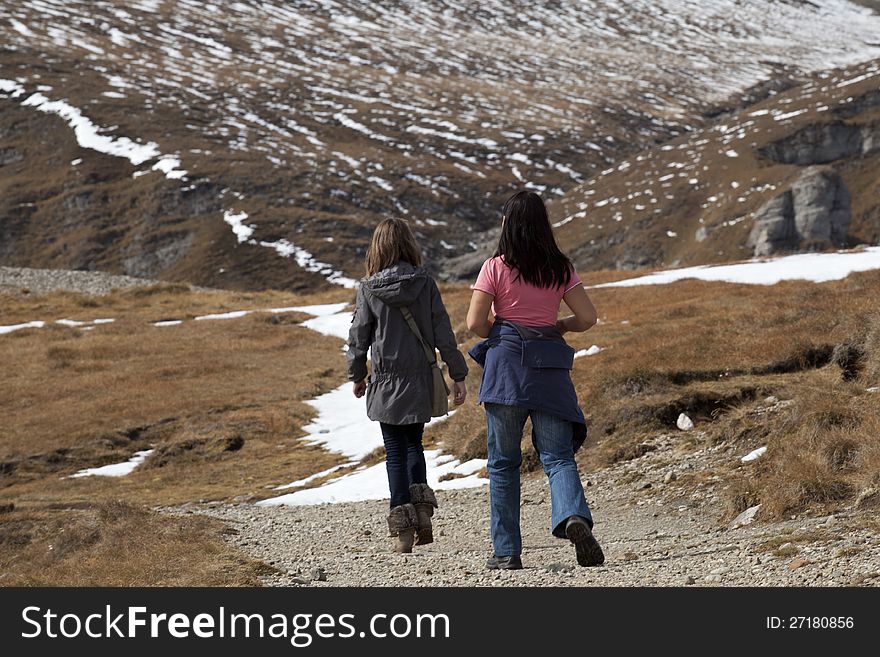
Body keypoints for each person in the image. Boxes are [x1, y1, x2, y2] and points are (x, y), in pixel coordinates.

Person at [466, 190, 604, 570]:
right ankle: (573, 516)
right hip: (549, 368)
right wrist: (558, 324)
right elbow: (588, 317)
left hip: (507, 367)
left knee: (503, 463)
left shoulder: (494, 267)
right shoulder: (560, 267)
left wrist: (503, 327)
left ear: (508, 224)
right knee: (558, 457)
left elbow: (475, 324)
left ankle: (507, 551)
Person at [348, 217, 468, 554]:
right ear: (408, 245)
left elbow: (358, 337)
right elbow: (443, 332)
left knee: (395, 453)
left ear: (378, 248)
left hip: (386, 381)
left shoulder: (369, 288)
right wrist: (457, 374)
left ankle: (402, 529)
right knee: (415, 445)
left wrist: (357, 374)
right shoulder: (425, 283)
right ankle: (423, 515)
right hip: (419, 380)